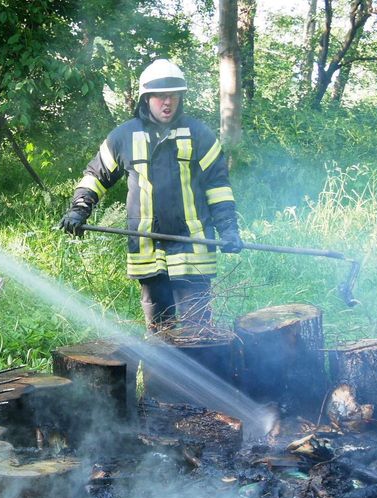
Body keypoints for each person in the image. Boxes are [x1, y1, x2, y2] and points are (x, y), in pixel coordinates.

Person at [57, 58, 243, 333]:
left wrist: (229, 229)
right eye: (160, 97)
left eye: (173, 96)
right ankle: (160, 377)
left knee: (199, 332)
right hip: (148, 250)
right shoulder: (124, 136)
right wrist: (79, 209)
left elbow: (218, 186)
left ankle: (198, 374)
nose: (167, 103)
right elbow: (96, 176)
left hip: (194, 248)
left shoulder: (199, 135)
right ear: (146, 98)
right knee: (161, 333)